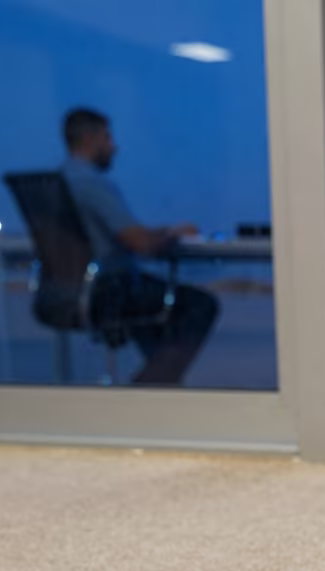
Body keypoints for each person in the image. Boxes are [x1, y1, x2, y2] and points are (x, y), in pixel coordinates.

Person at [60, 107, 219, 385]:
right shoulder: (90, 184)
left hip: (72, 289)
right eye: (108, 138)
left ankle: (157, 387)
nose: (114, 147)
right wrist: (175, 234)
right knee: (200, 305)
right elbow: (139, 242)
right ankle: (149, 389)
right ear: (91, 138)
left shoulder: (61, 182)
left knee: (155, 315)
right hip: (110, 290)